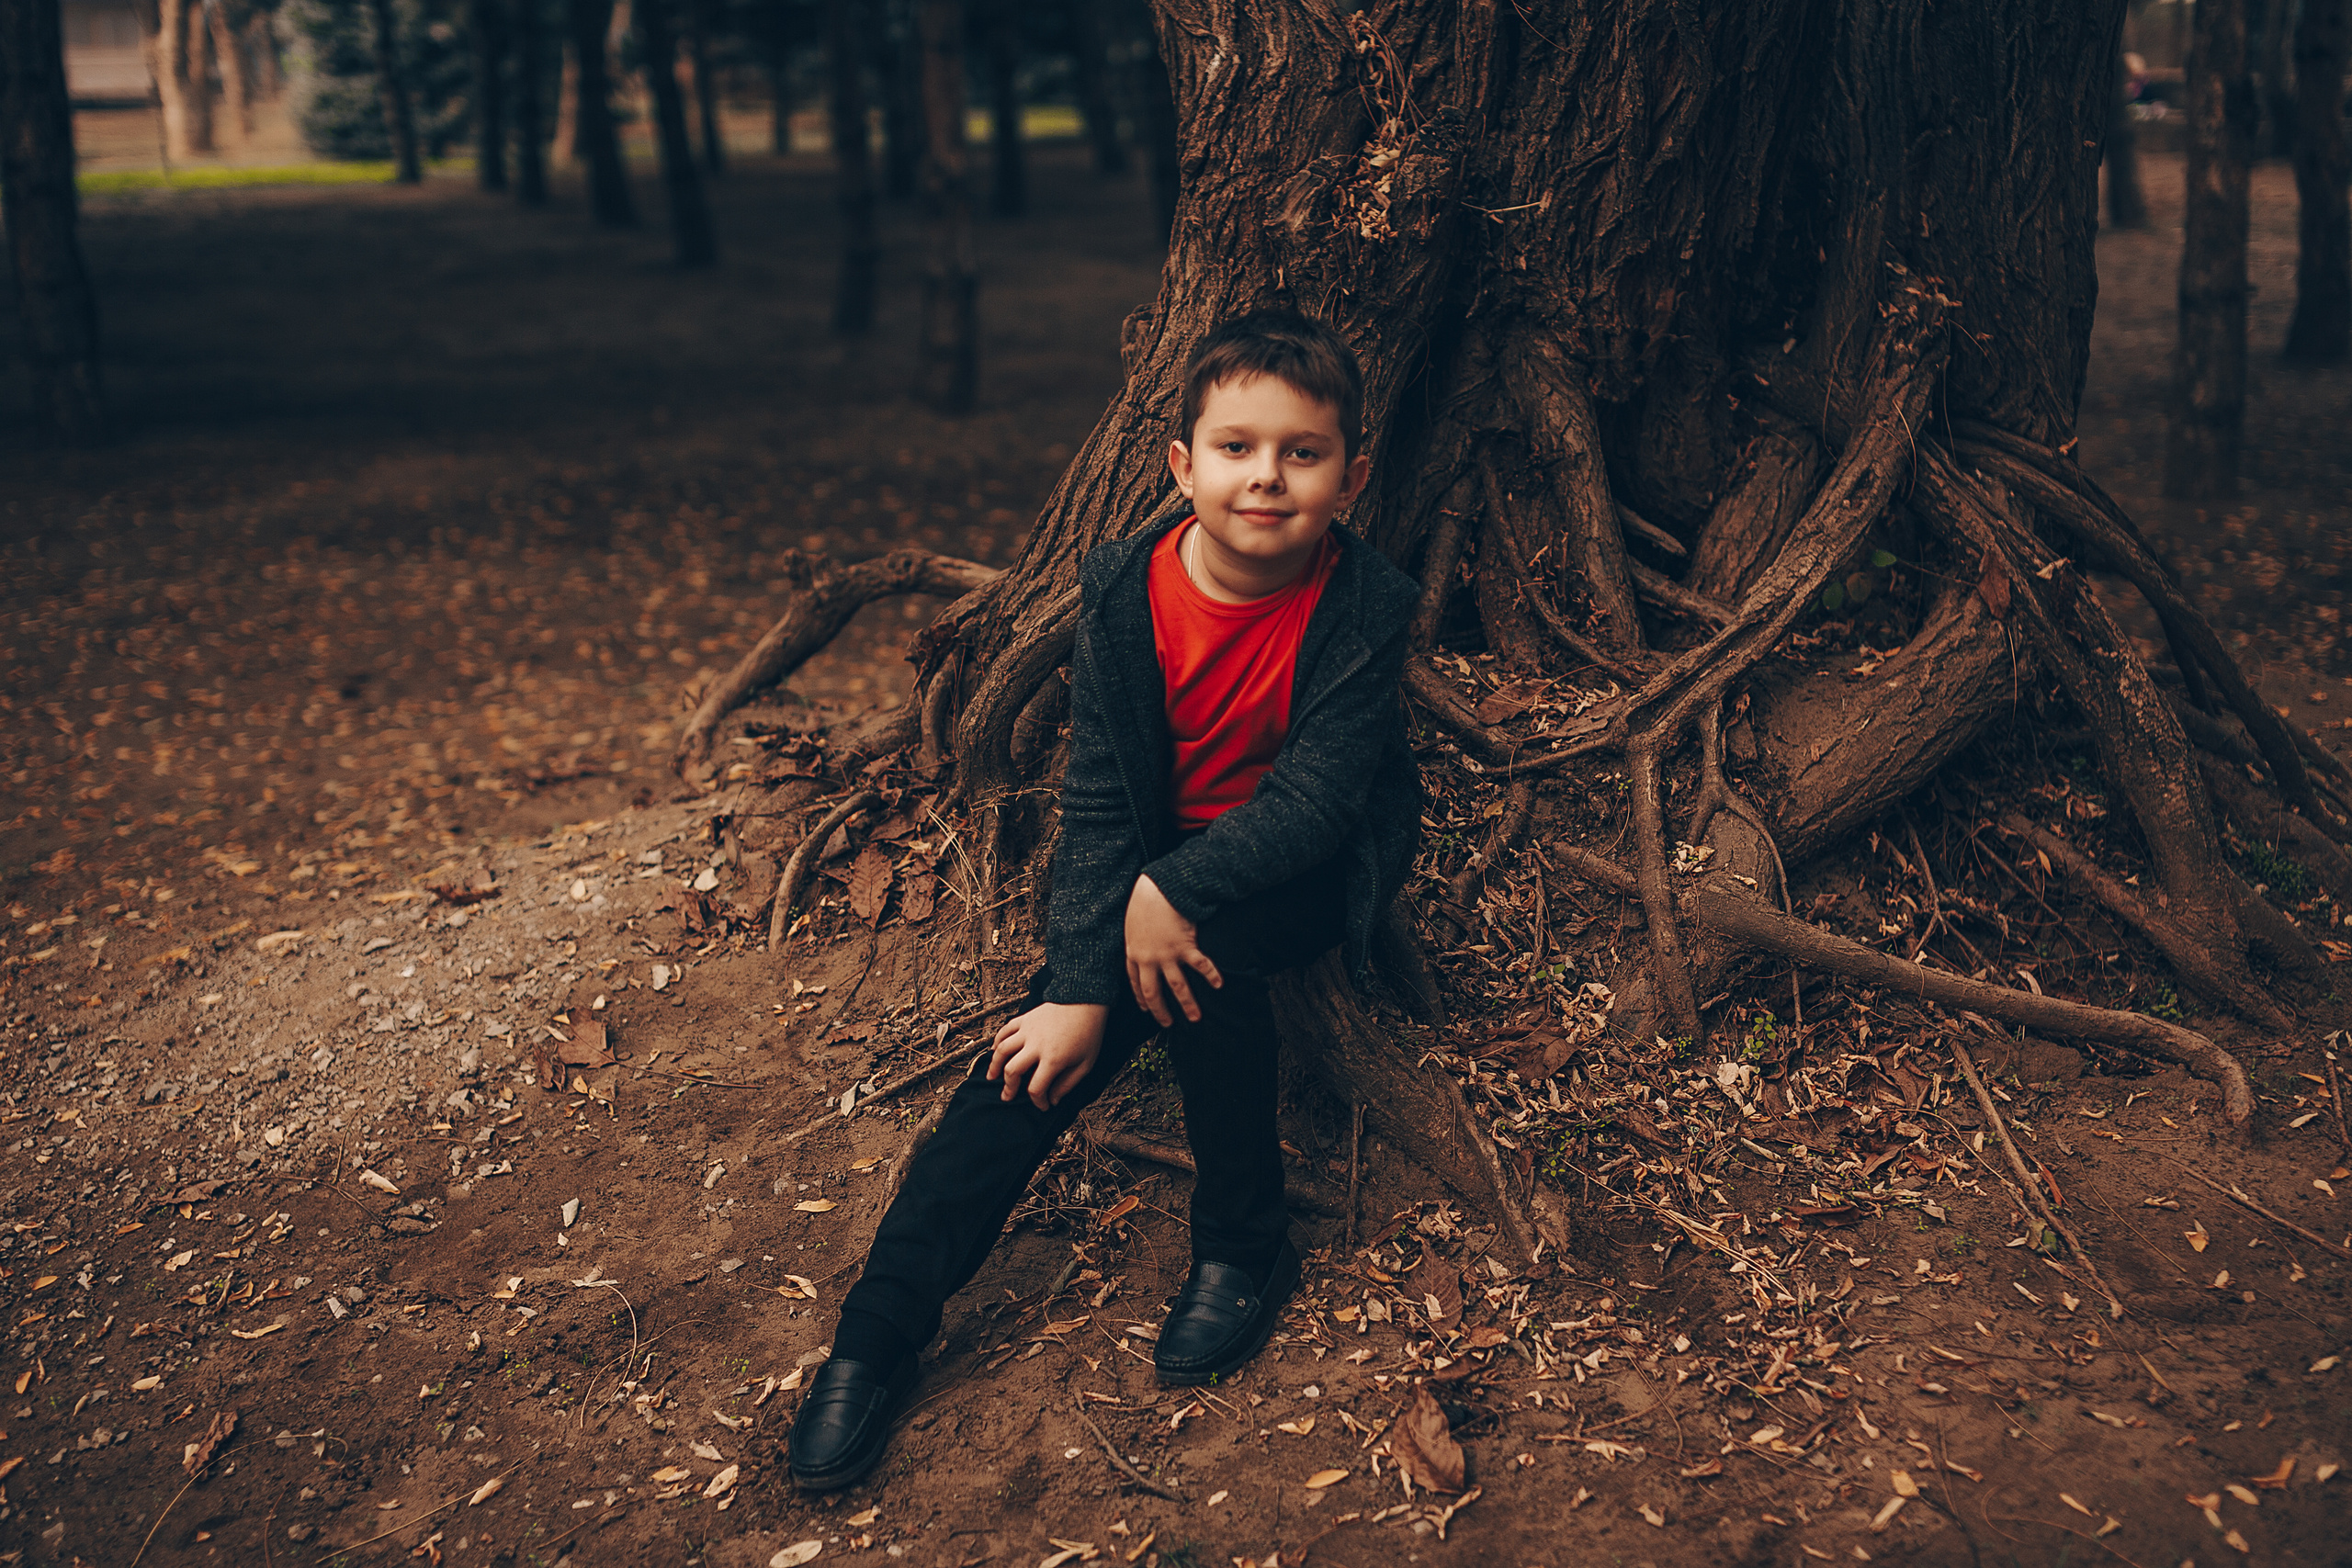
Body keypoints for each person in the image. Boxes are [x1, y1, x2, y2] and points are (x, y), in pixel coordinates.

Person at [786, 307, 1423, 1491]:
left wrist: (1169, 894)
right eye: (1236, 447)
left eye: (1303, 452)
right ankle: (874, 1337)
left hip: (1300, 869)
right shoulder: (1125, 590)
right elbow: (1097, 801)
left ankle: (1242, 1247)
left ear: (1352, 474)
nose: (1267, 478)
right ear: (1181, 466)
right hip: (1153, 863)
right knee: (1034, 1058)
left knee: (1205, 954)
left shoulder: (1366, 603)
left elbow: (1326, 804)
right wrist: (1082, 985)